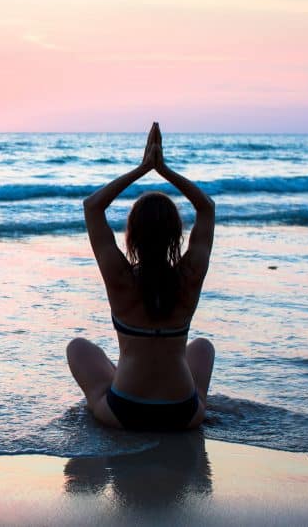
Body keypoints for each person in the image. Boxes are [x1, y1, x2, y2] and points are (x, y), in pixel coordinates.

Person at [67, 122, 215, 431]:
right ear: (176, 236)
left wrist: (142, 168)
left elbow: (93, 207)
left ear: (132, 235)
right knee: (202, 347)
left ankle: (120, 373)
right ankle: (188, 395)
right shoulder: (188, 277)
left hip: (126, 412)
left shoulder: (120, 278)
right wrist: (165, 170)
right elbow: (206, 208)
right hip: (183, 414)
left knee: (78, 348)